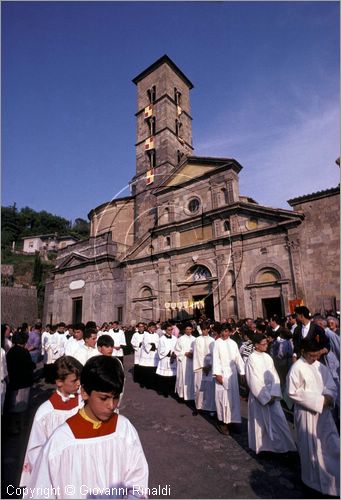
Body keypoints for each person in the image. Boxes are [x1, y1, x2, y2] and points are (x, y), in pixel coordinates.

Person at [25, 356, 149, 499]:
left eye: (115, 397)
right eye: (104, 398)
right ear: (84, 392)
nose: (112, 405)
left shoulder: (123, 429)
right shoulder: (61, 441)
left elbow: (137, 477)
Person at [286, 338, 340, 497]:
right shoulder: (297, 368)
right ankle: (312, 483)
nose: (315, 358)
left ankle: (332, 483)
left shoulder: (320, 367)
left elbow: (330, 386)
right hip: (307, 414)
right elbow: (293, 392)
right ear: (303, 352)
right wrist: (319, 401)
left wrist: (329, 397)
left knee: (330, 446)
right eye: (312, 355)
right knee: (310, 448)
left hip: (324, 415)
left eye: (317, 355)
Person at [20, 356, 83, 486]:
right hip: (56, 475)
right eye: (74, 380)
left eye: (80, 379)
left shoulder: (84, 404)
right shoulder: (45, 413)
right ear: (59, 382)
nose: (79, 384)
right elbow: (35, 450)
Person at [245, 333, 296, 455]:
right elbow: (253, 380)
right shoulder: (251, 359)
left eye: (266, 343)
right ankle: (264, 449)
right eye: (263, 344)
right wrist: (266, 397)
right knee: (261, 423)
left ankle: (285, 447)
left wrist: (273, 393)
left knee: (280, 421)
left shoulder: (268, 357)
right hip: (259, 397)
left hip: (273, 395)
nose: (266, 345)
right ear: (256, 345)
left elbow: (275, 376)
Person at [212, 323, 245, 435]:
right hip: (221, 373)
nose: (225, 333)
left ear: (230, 332)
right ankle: (222, 422)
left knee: (233, 398)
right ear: (220, 332)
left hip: (232, 374)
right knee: (222, 398)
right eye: (223, 331)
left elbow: (238, 358)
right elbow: (215, 359)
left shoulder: (233, 343)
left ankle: (233, 421)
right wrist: (217, 374)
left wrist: (242, 372)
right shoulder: (217, 343)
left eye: (227, 331)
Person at [6, 331, 35, 434]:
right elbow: (30, 366)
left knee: (13, 405)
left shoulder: (10, 351)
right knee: (22, 406)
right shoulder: (24, 352)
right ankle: (22, 426)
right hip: (24, 382)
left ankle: (13, 426)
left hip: (13, 382)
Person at [192, 321, 215, 414]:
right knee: (198, 387)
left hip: (210, 367)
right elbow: (196, 354)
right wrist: (202, 366)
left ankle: (209, 407)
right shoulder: (197, 340)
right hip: (200, 367)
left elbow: (214, 355)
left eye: (206, 329)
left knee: (209, 388)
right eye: (202, 329)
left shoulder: (212, 341)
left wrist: (209, 365)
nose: (204, 331)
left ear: (209, 329)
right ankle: (198, 406)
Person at [174, 323, 195, 403]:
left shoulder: (195, 339)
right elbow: (176, 350)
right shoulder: (180, 339)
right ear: (184, 330)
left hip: (192, 361)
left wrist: (193, 354)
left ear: (192, 330)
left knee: (191, 379)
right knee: (182, 378)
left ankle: (191, 396)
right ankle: (181, 395)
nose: (189, 331)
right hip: (183, 361)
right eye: (187, 329)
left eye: (190, 329)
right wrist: (185, 353)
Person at [156, 322, 177, 398]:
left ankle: (171, 391)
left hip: (173, 359)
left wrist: (175, 354)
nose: (170, 331)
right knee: (164, 376)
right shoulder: (161, 339)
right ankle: (164, 391)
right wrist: (169, 353)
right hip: (165, 359)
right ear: (165, 330)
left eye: (171, 329)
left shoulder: (175, 338)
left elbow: (177, 347)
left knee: (172, 376)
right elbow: (160, 350)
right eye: (169, 330)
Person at [139, 322, 160, 390]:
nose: (154, 329)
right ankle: (144, 383)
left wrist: (153, 344)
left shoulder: (156, 335)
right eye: (153, 327)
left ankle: (152, 384)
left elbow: (158, 343)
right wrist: (152, 345)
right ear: (149, 328)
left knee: (152, 369)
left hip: (154, 354)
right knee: (146, 369)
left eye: (155, 327)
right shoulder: (146, 334)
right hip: (147, 354)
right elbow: (145, 343)